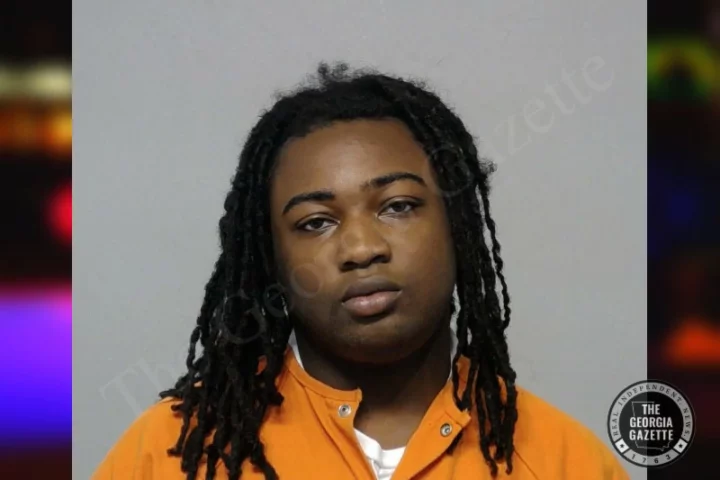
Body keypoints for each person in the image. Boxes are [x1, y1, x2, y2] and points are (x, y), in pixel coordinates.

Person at [93, 63, 629, 480]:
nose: (361, 248)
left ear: (458, 225)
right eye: (315, 222)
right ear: (272, 260)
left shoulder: (566, 460)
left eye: (398, 206)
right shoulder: (171, 454)